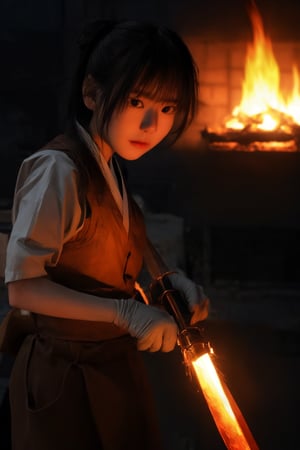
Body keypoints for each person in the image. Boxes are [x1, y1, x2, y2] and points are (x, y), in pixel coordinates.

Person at [4, 20, 209, 450]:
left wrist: (166, 283)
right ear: (92, 94)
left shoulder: (111, 164)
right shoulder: (59, 171)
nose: (153, 124)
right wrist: (125, 313)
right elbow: (22, 289)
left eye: (168, 109)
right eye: (137, 101)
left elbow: (115, 244)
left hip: (112, 368)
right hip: (63, 373)